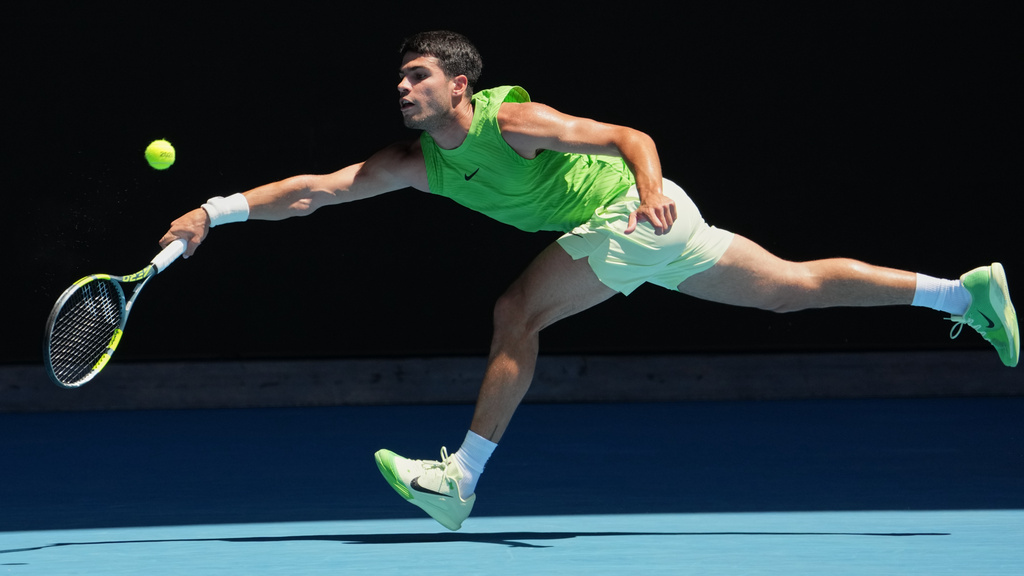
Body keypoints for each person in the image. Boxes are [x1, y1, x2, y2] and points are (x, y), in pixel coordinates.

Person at [160, 30, 1018, 531]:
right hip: (647, 232)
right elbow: (313, 192)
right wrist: (214, 210)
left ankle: (461, 479)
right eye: (399, 78)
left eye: (416, 76)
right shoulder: (418, 164)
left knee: (514, 313)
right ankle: (961, 293)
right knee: (790, 287)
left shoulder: (515, 121)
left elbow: (628, 134)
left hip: (634, 216)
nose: (402, 87)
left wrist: (645, 190)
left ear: (462, 85)